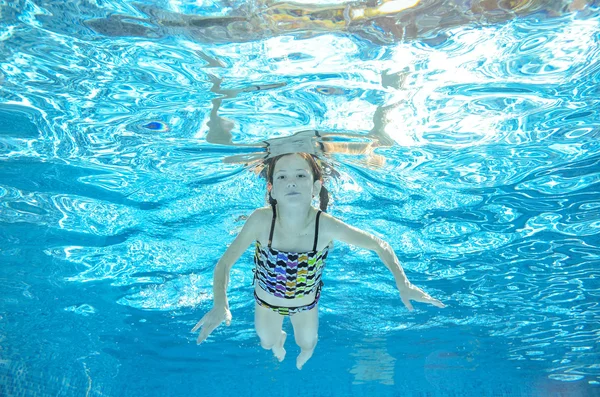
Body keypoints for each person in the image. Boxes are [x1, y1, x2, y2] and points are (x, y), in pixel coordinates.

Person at [191, 151, 445, 370]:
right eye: (282, 177)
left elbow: (380, 244)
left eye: (301, 175)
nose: (291, 182)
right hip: (265, 302)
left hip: (306, 303)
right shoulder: (260, 220)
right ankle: (278, 342)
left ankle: (303, 354)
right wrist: (220, 304)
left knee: (307, 343)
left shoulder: (325, 225)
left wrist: (403, 283)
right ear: (272, 189)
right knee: (267, 342)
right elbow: (224, 263)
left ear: (315, 187)